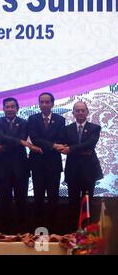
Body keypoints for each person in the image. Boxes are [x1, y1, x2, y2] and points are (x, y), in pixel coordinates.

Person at [0, 97, 38, 233]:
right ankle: (5, 232)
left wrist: (16, 143)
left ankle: (23, 231)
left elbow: (23, 138)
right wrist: (20, 142)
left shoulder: (24, 123)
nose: (10, 109)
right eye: (7, 107)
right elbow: (1, 137)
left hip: (21, 166)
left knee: (21, 201)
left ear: (17, 109)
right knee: (4, 201)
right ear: (3, 109)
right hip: (2, 167)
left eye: (13, 107)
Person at [60, 101, 103, 230]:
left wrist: (71, 149)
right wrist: (80, 150)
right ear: (73, 113)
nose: (80, 113)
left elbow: (90, 144)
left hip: (89, 171)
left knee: (87, 204)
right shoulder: (67, 129)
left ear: (87, 112)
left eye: (82, 110)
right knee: (72, 203)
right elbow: (65, 145)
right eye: (77, 110)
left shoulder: (95, 128)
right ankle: (73, 232)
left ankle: (86, 234)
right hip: (72, 171)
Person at [27, 92, 64, 229]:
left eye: (47, 102)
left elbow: (60, 139)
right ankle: (38, 229)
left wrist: (48, 145)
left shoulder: (60, 119)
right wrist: (53, 145)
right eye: (41, 102)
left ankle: (53, 229)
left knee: (53, 198)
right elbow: (34, 138)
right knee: (38, 198)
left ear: (52, 104)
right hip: (37, 163)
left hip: (54, 164)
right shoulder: (32, 118)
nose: (44, 104)